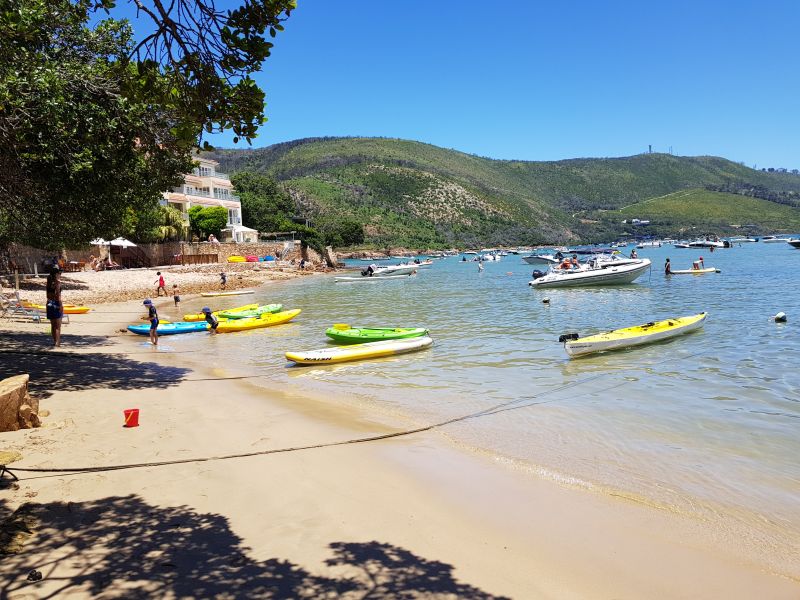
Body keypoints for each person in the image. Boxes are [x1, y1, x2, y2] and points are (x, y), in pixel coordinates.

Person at [45, 266, 63, 347]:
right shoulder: (57, 283)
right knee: (58, 326)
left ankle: (54, 341)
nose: (60, 274)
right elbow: (58, 295)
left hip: (49, 303)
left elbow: (47, 295)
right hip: (56, 303)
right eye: (59, 273)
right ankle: (57, 343)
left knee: (52, 325)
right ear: (56, 274)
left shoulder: (48, 282)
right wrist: (61, 305)